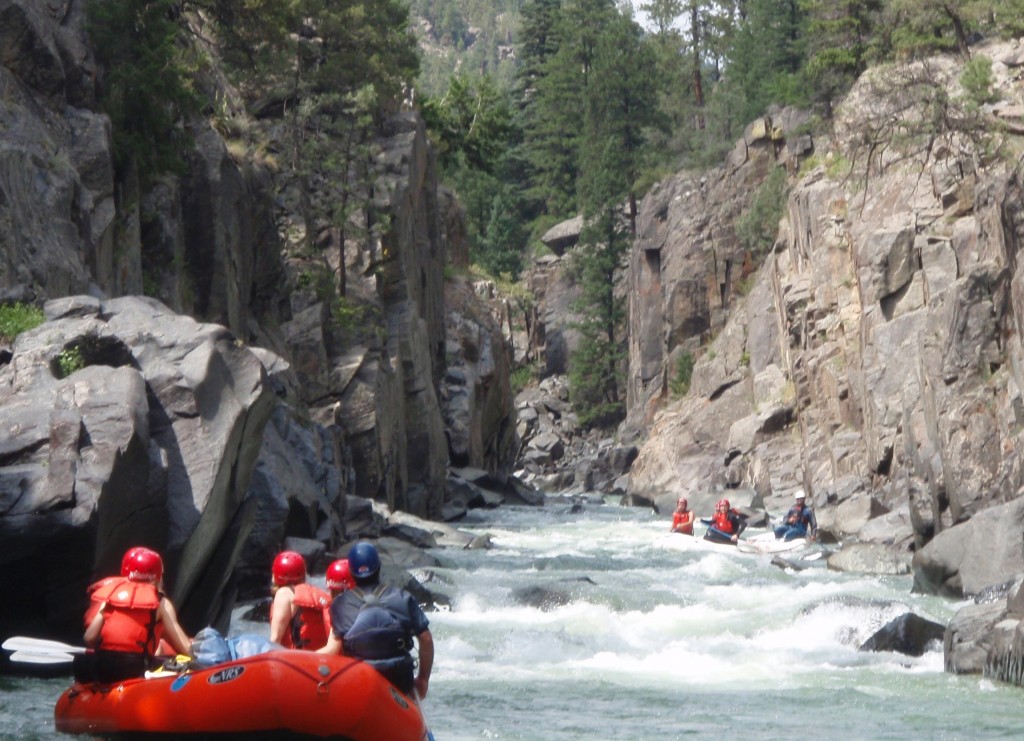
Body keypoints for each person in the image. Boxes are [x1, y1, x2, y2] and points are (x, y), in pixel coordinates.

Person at [319, 542, 434, 701]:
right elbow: (426, 639)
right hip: (400, 679)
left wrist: (295, 657)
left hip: (358, 679)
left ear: (351, 573)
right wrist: (423, 680)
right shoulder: (402, 597)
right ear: (379, 568)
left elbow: (333, 650)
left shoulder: (340, 604)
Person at [80, 546, 192, 682]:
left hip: (103, 668)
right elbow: (184, 647)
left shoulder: (111, 598)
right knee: (180, 663)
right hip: (136, 670)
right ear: (157, 577)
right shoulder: (160, 603)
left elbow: (89, 637)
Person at [269, 550, 331, 650]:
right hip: (317, 658)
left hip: (293, 660)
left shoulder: (283, 593)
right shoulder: (315, 593)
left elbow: (275, 639)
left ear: (276, 575)